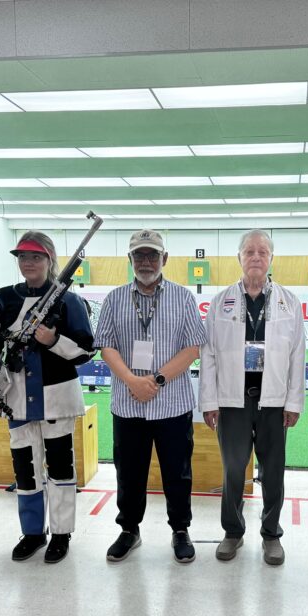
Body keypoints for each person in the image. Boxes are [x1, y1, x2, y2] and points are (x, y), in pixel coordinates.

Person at [94, 229, 206, 563]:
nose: (146, 262)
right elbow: (106, 345)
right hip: (128, 404)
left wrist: (155, 380)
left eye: (152, 255)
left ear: (164, 259)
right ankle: (129, 529)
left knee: (177, 472)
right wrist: (131, 380)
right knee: (129, 472)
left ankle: (180, 529)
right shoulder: (114, 299)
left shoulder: (183, 298)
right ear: (130, 259)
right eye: (139, 255)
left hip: (172, 404)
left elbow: (193, 347)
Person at [0, 231, 94, 564]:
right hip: (15, 397)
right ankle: (32, 533)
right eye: (22, 257)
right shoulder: (3, 298)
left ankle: (61, 533)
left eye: (36, 256)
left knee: (60, 468)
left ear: (49, 260)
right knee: (25, 469)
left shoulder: (69, 301)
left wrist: (53, 340)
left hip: (56, 397)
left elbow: (86, 351)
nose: (28, 262)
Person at [199, 230, 305, 565]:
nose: (256, 257)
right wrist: (209, 401)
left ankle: (271, 534)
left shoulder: (289, 302)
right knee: (233, 470)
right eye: (249, 251)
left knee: (273, 472)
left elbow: (297, 355)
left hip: (274, 402)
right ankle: (233, 532)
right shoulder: (221, 301)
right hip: (233, 402)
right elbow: (209, 355)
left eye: (262, 251)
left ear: (271, 258)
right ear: (239, 258)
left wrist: (294, 402)